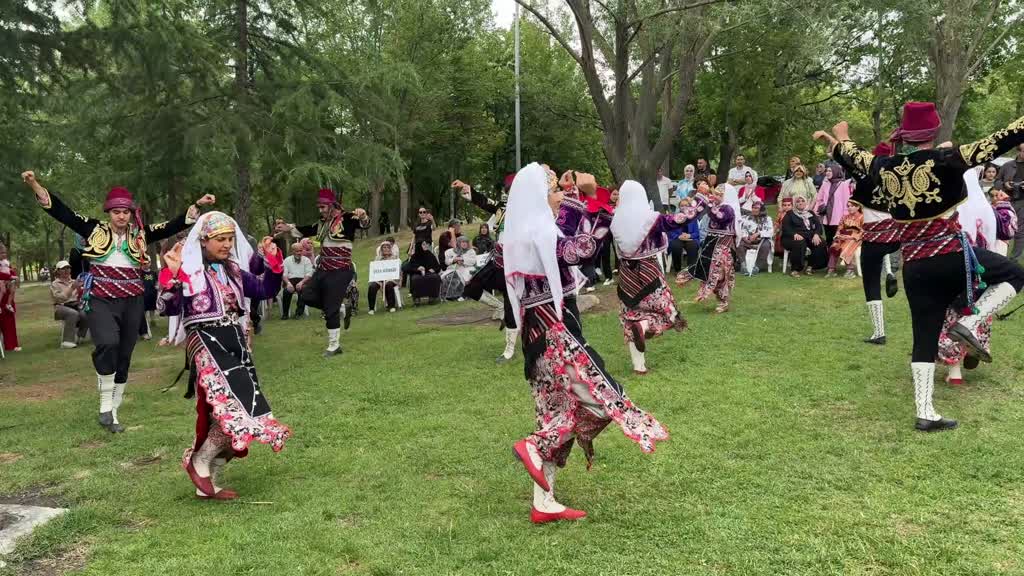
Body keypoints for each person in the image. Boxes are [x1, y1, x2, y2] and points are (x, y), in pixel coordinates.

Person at [819, 102, 1024, 432]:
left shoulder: (884, 166)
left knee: (924, 338)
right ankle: (971, 322)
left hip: (914, 267)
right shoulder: (947, 158)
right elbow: (1001, 139)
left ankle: (925, 411)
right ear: (933, 131)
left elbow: (854, 156)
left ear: (904, 136)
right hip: (951, 256)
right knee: (1015, 274)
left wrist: (841, 137)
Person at [504, 163, 667, 524]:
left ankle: (544, 502)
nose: (559, 198)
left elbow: (567, 234)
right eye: (553, 193)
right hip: (556, 335)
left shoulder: (524, 233)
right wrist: (593, 199)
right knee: (604, 399)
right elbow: (584, 248)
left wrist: (577, 197)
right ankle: (535, 446)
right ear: (538, 198)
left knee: (555, 412)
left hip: (537, 338)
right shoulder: (540, 234)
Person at [22, 170, 213, 432]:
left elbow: (172, 225)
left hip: (132, 299)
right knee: (107, 344)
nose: (121, 216)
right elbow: (62, 212)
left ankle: (113, 412)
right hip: (101, 298)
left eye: (125, 212)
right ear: (108, 212)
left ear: (130, 213)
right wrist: (34, 184)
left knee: (124, 354)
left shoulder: (141, 234)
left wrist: (198, 205)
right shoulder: (93, 229)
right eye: (116, 212)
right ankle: (104, 406)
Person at [158, 212, 290, 500]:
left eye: (230, 239)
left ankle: (207, 481)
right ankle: (199, 463)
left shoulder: (233, 271)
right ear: (204, 241)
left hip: (236, 342)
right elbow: (166, 307)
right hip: (206, 342)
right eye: (220, 239)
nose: (227, 244)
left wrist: (273, 262)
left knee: (234, 410)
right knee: (233, 407)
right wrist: (174, 276)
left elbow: (265, 289)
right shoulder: (188, 269)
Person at [276, 188, 369, 357]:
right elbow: (305, 229)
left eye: (323, 207)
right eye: (319, 207)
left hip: (340, 270)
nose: (320, 211)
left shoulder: (348, 218)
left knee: (330, 308)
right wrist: (287, 227)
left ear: (332, 205)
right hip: (323, 268)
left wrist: (362, 216)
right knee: (306, 295)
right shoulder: (322, 224)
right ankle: (341, 307)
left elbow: (364, 224)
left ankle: (334, 345)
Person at [611, 180, 690, 374]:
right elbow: (679, 220)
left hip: (626, 276)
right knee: (668, 312)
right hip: (648, 271)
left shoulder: (615, 219)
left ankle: (639, 366)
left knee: (629, 316)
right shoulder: (651, 219)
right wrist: (702, 201)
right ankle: (644, 325)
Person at [676, 183, 740, 313]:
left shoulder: (729, 209)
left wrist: (709, 202)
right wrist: (703, 198)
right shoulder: (717, 207)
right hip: (711, 242)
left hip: (723, 246)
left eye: (719, 195)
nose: (716, 196)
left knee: (720, 273)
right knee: (708, 269)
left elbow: (719, 217)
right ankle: (721, 299)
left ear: (727, 196)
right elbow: (705, 211)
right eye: (715, 193)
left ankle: (724, 301)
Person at [781, 195, 827, 276]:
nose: (800, 203)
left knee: (820, 242)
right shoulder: (790, 214)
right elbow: (785, 227)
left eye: (803, 201)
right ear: (795, 204)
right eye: (798, 201)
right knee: (799, 243)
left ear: (806, 202)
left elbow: (818, 226)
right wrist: (794, 234)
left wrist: (816, 234)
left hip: (808, 236)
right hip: (791, 237)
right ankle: (795, 269)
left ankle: (811, 266)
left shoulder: (810, 213)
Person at [993, 143, 1024, 259]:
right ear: (1019, 151)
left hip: (1022, 201)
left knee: (1020, 232)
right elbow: (996, 182)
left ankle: (1014, 260)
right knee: (1002, 228)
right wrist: (1005, 185)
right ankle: (999, 256)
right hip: (1006, 201)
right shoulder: (1007, 165)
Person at [813, 164, 853, 246]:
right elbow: (819, 199)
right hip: (826, 217)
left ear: (836, 171)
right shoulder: (825, 184)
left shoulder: (843, 185)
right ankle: (829, 253)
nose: (827, 173)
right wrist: (817, 209)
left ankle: (836, 253)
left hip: (838, 217)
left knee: (838, 240)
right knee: (829, 239)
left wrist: (845, 216)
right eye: (827, 171)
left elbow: (846, 202)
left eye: (830, 171)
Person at [51, 260, 88, 348]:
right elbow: (60, 298)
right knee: (73, 313)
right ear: (58, 271)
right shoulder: (55, 284)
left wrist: (82, 289)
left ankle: (80, 336)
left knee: (86, 313)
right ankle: (67, 341)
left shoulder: (74, 281)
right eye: (63, 268)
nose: (66, 270)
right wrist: (72, 288)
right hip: (61, 306)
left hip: (75, 304)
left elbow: (81, 295)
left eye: (68, 268)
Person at [827, 201, 864, 278]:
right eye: (848, 206)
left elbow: (864, 231)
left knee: (847, 245)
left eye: (852, 206)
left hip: (857, 239)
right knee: (835, 245)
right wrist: (838, 235)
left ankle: (850, 270)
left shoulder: (862, 217)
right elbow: (840, 228)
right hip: (844, 236)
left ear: (858, 207)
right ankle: (831, 269)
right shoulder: (845, 217)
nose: (849, 208)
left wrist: (852, 237)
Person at [738, 200, 774, 274]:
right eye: (753, 208)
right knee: (740, 243)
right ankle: (743, 266)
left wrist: (758, 233)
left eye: (756, 208)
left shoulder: (768, 219)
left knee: (766, 245)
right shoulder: (747, 218)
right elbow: (743, 229)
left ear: (761, 209)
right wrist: (745, 237)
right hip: (749, 240)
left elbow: (770, 232)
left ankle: (757, 267)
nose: (754, 210)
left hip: (762, 241)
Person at [281, 243, 313, 319]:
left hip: (303, 280)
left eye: (301, 251)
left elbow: (309, 274)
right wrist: (288, 283)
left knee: (304, 290)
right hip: (290, 280)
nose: (299, 253)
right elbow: (284, 274)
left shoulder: (306, 260)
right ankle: (285, 314)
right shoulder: (287, 260)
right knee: (286, 291)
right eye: (297, 251)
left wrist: (301, 282)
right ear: (292, 251)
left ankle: (298, 313)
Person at [368, 240, 400, 314]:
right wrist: (379, 281)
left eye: (387, 247)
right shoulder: (377, 259)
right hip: (379, 280)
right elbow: (375, 271)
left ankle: (391, 306)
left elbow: (397, 271)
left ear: (390, 249)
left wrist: (390, 279)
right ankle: (371, 308)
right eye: (384, 247)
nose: (386, 249)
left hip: (392, 279)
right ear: (381, 249)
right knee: (372, 286)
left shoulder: (394, 258)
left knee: (388, 284)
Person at [440, 236, 477, 301]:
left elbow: (473, 261)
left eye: (466, 242)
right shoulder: (449, 251)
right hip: (452, 268)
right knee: (447, 277)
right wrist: (454, 260)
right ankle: (449, 295)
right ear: (458, 243)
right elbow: (446, 262)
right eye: (463, 242)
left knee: (465, 276)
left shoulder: (471, 251)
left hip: (467, 268)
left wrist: (462, 260)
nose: (465, 244)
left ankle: (463, 295)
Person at [0, 244, 19, 352]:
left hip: (7, 293)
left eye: (4, 252)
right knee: (3, 319)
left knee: (9, 319)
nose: (4, 254)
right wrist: (10, 277)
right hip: (1, 292)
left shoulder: (6, 263)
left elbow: (10, 272)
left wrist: (13, 276)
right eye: (1, 253)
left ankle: (12, 345)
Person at [991, 188, 1018, 256]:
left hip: (1000, 242)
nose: (994, 198)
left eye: (996, 195)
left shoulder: (1005, 210)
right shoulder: (1005, 208)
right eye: (992, 196)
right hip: (995, 241)